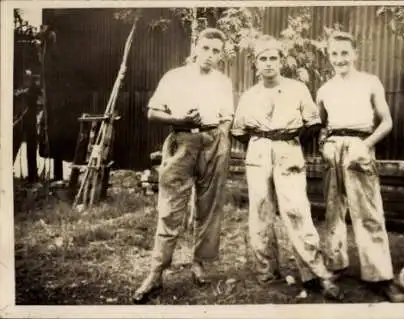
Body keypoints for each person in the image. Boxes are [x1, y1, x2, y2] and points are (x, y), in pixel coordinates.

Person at [231, 35, 342, 301]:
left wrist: (289, 142)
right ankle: (267, 271)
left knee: (296, 210)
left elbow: (313, 123)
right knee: (260, 211)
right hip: (258, 151)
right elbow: (238, 130)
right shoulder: (250, 95)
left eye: (273, 58)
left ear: (281, 61)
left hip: (288, 149)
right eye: (263, 59)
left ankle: (315, 272)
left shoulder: (297, 88)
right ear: (256, 64)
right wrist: (262, 142)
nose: (268, 64)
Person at [133, 28, 234, 304]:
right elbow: (153, 112)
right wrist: (180, 118)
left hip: (214, 143)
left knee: (209, 207)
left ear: (220, 54)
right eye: (206, 48)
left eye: (216, 51)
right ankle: (156, 272)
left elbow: (227, 116)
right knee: (170, 209)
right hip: (182, 142)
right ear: (196, 48)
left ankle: (199, 262)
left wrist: (220, 139)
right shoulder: (174, 77)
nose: (210, 55)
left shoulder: (223, 81)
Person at [316, 31, 404, 303]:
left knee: (368, 213)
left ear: (354, 53)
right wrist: (324, 143)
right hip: (333, 150)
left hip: (360, 146)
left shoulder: (370, 82)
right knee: (333, 211)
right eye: (334, 54)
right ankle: (336, 265)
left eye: (345, 53)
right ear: (328, 57)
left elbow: (387, 122)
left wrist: (365, 145)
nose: (340, 59)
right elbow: (321, 124)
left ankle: (380, 276)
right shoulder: (324, 89)